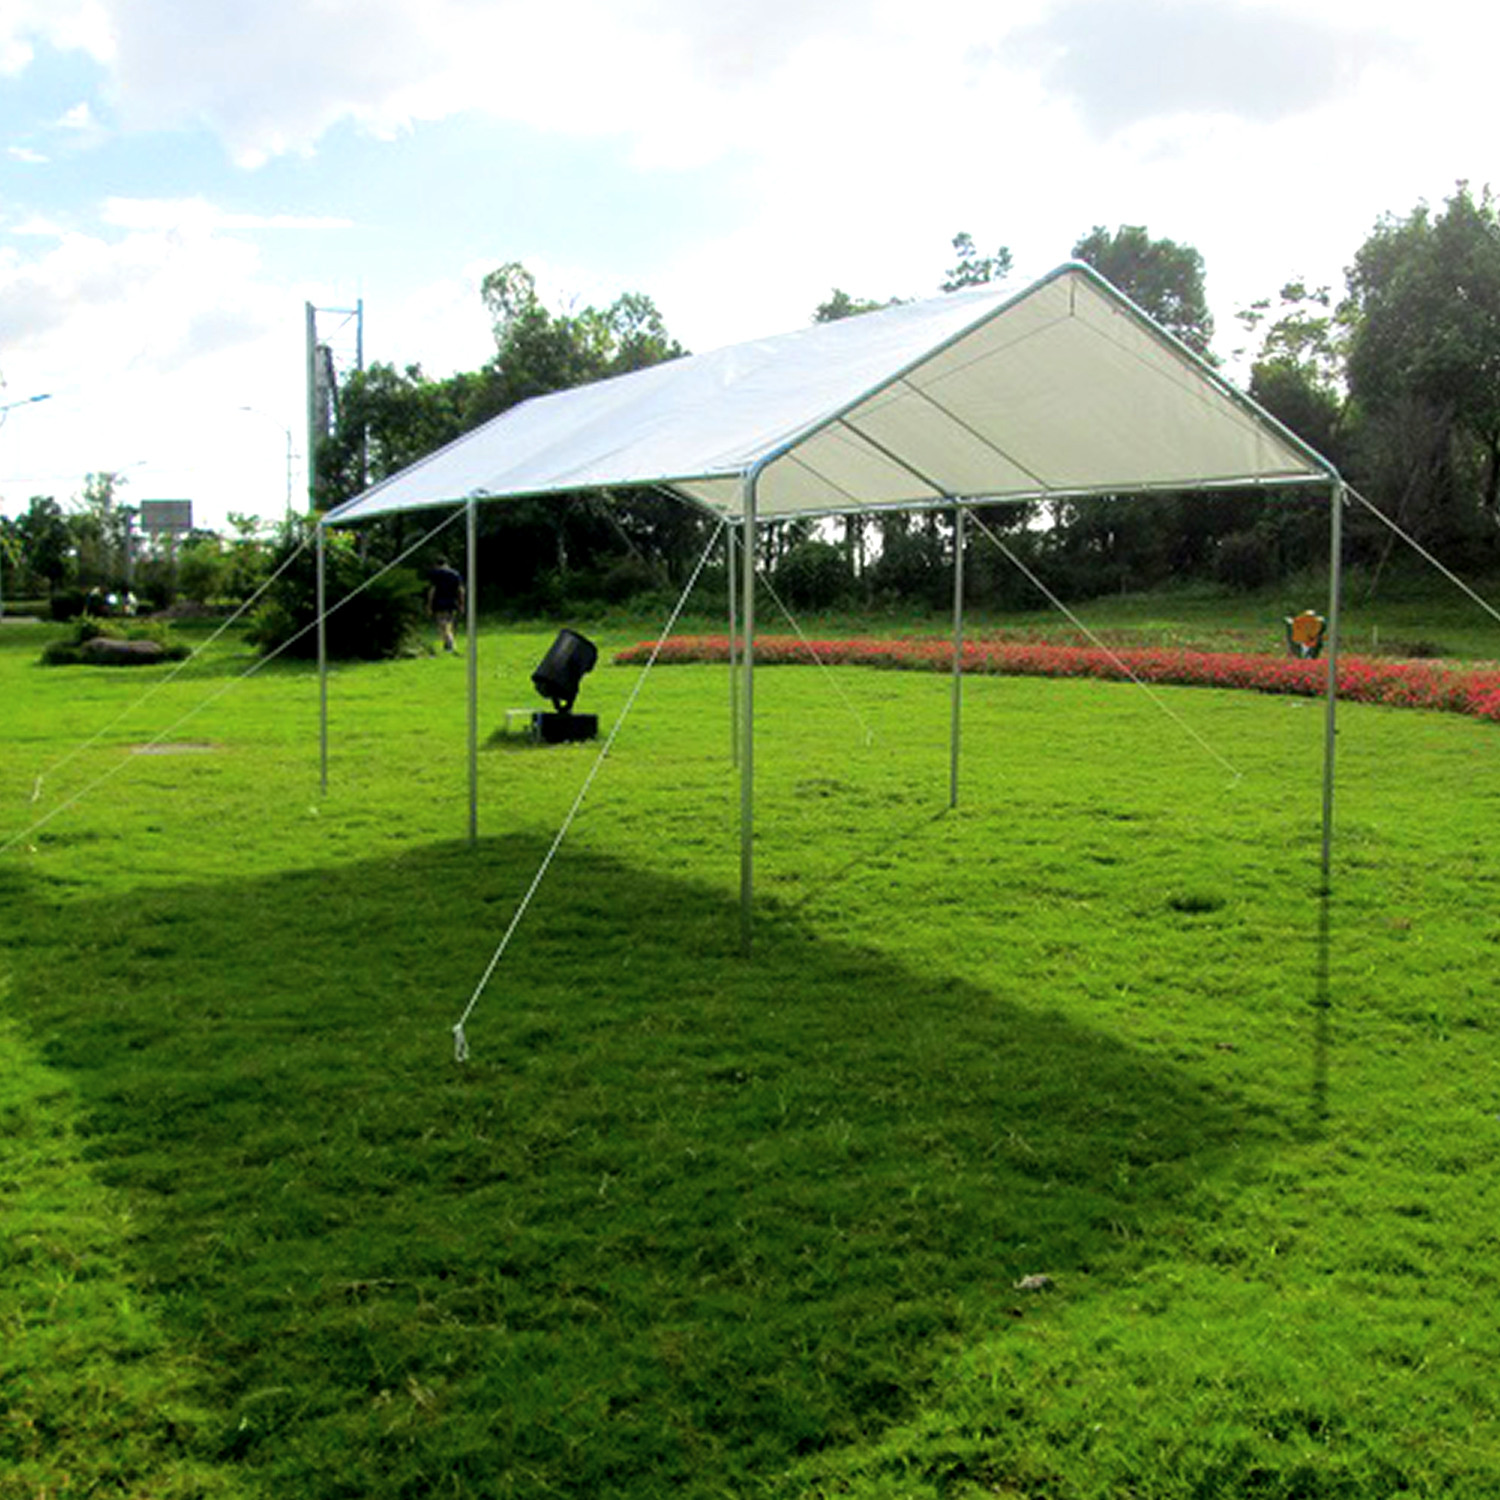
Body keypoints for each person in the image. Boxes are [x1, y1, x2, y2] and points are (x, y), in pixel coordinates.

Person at [426, 557, 465, 653]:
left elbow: (432, 590)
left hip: (439, 602)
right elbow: (460, 590)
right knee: (448, 622)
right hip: (452, 602)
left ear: (437, 565)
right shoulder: (455, 574)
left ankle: (449, 642)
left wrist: (429, 605)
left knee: (441, 623)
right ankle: (448, 643)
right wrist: (461, 604)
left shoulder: (436, 574)